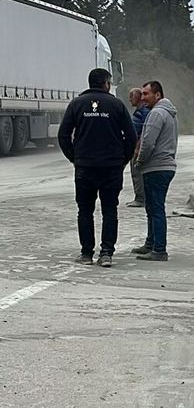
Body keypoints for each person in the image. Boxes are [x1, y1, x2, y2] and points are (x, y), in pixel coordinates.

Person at [58, 68, 137, 268]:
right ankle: (106, 253)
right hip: (111, 167)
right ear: (106, 84)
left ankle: (86, 253)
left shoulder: (76, 104)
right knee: (110, 210)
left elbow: (63, 135)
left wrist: (74, 157)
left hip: (85, 167)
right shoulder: (116, 105)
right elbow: (131, 136)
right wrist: (123, 160)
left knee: (85, 210)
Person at [132, 80, 178, 261]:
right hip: (165, 165)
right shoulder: (170, 113)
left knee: (156, 208)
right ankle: (150, 244)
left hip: (156, 167)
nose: (142, 98)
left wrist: (139, 160)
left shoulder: (156, 114)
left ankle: (159, 249)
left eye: (146, 94)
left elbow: (148, 142)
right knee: (152, 207)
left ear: (157, 95)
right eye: (142, 94)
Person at [127, 88, 150, 207]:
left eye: (131, 96)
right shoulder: (141, 111)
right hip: (137, 146)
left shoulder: (143, 111)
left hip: (138, 147)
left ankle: (140, 199)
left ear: (138, 97)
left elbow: (143, 132)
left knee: (137, 173)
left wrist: (137, 149)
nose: (129, 99)